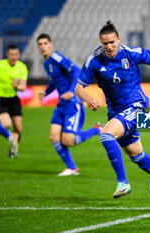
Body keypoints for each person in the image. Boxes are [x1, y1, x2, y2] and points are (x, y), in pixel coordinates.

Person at [76, 21, 150, 198]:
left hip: (137, 106)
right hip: (116, 112)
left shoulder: (132, 53)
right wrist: (88, 99)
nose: (109, 47)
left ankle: (123, 183)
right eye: (105, 43)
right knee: (137, 156)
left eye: (112, 42)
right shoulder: (94, 61)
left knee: (105, 135)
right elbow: (79, 87)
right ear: (100, 42)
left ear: (118, 39)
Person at [37, 33, 103, 176]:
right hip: (61, 104)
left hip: (73, 103)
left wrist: (72, 91)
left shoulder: (56, 57)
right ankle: (72, 168)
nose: (43, 47)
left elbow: (76, 71)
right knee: (54, 136)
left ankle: (97, 129)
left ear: (51, 45)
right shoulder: (46, 63)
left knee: (68, 141)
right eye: (40, 44)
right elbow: (54, 81)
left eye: (45, 43)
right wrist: (46, 92)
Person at [0, 44, 27, 158]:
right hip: (0, 100)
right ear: (7, 55)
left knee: (18, 128)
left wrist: (17, 87)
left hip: (14, 100)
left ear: (19, 55)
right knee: (6, 124)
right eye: (11, 54)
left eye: (16, 54)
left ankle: (12, 152)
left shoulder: (22, 67)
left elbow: (23, 86)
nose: (14, 57)